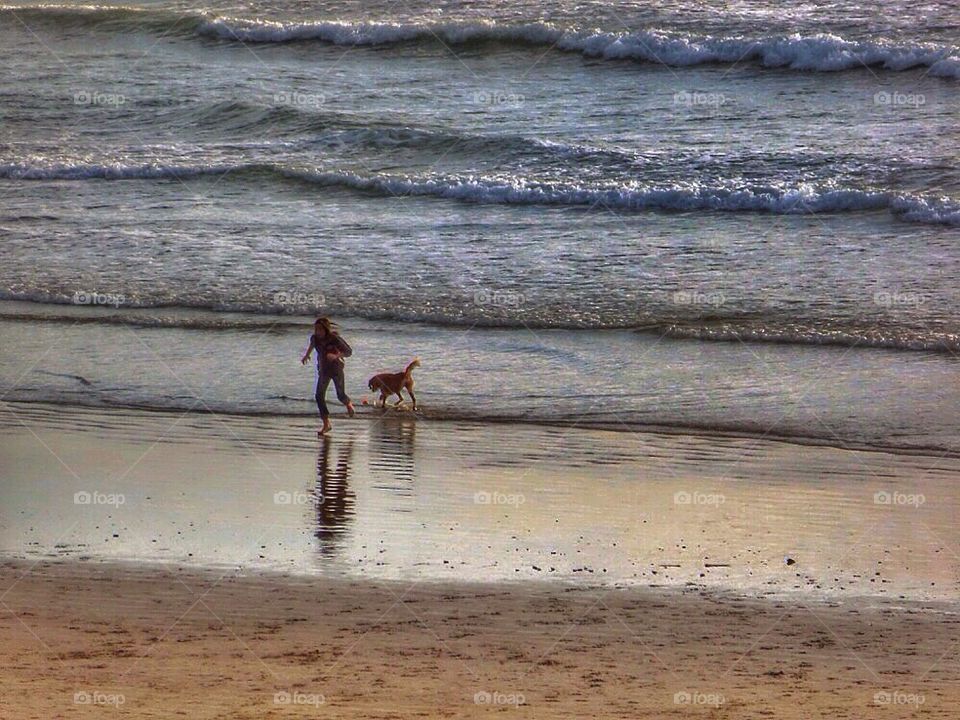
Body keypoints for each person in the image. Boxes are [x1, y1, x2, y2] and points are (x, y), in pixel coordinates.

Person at [301, 317, 355, 435]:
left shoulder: (334, 338)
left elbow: (349, 352)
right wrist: (306, 355)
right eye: (316, 329)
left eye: (320, 329)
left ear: (326, 329)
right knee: (319, 396)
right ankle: (326, 424)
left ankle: (348, 403)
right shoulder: (314, 338)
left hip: (336, 369)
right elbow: (312, 344)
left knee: (340, 395)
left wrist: (336, 356)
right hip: (323, 370)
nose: (317, 332)